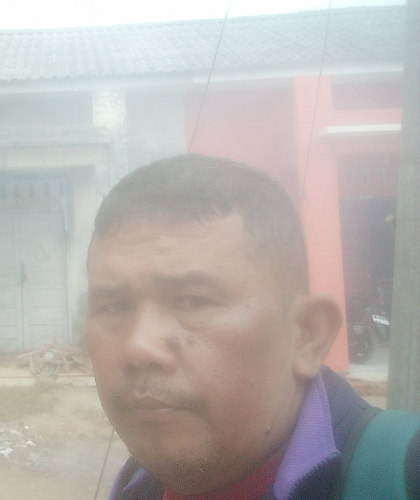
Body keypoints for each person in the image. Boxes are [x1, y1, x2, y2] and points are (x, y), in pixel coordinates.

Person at [85, 154, 420, 500]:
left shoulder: (405, 474)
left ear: (307, 334)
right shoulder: (138, 484)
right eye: (112, 307)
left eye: (192, 301)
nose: (139, 347)